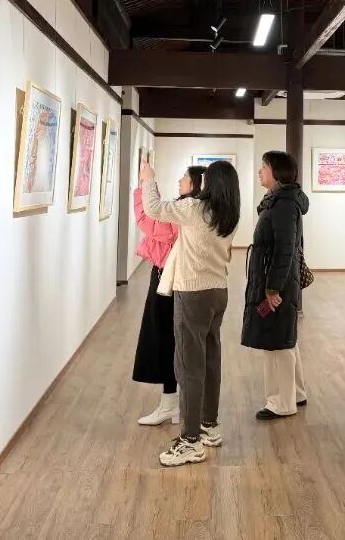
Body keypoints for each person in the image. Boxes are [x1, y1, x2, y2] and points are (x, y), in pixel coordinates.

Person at [140, 155, 240, 468]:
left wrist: (148, 178)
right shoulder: (229, 215)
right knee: (210, 360)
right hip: (218, 292)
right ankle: (209, 425)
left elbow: (153, 208)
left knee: (188, 366)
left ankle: (190, 441)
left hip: (193, 293)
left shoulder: (194, 209)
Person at [131, 165, 206, 426]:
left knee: (165, 340)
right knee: (173, 340)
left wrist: (147, 182)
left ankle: (171, 405)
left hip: (170, 280)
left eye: (185, 177)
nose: (180, 180)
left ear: (195, 185)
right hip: (174, 278)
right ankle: (175, 404)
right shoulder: (193, 209)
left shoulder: (186, 211)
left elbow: (147, 220)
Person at [243, 151, 309, 420]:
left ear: (277, 171)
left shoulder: (283, 204)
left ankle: (281, 402)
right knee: (284, 338)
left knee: (276, 341)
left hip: (277, 282)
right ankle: (296, 393)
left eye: (264, 166)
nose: (260, 171)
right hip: (277, 279)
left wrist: (272, 289)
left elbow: (284, 250)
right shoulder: (279, 200)